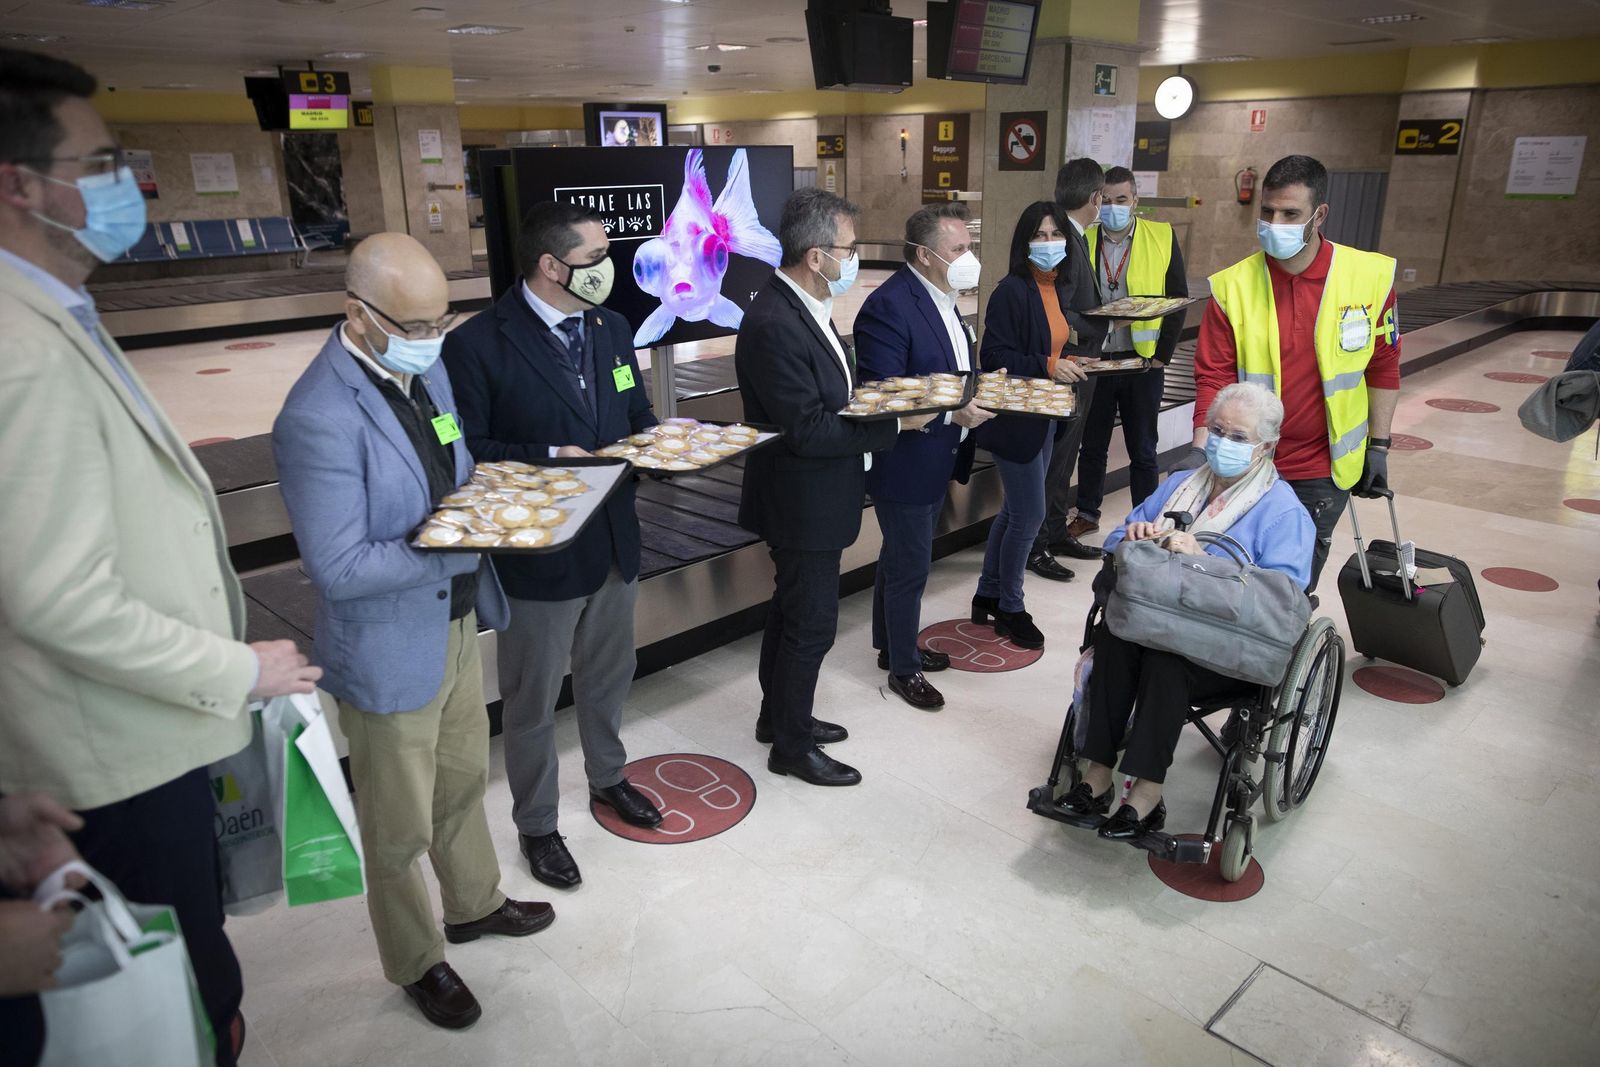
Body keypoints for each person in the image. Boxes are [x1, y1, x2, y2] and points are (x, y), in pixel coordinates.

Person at [0, 49, 321, 1066]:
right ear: (18, 185)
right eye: (99, 165)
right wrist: (240, 667)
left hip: (116, 747)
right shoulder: (19, 347)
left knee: (193, 976)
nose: (129, 185)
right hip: (111, 764)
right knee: (179, 998)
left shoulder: (53, 317)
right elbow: (53, 594)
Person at [273, 233, 553, 1030]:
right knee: (396, 823)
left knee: (462, 779)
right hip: (388, 645)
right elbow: (340, 568)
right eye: (415, 323)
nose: (434, 338)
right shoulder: (317, 416)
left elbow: (454, 469)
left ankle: (473, 901)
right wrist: (451, 546)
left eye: (442, 319)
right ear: (357, 314)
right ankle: (417, 958)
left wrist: (499, 503)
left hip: (459, 620)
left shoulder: (422, 372)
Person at [444, 202, 663, 890]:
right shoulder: (478, 343)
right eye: (596, 258)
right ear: (551, 265)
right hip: (540, 549)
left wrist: (659, 444)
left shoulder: (612, 326)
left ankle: (608, 776)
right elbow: (469, 449)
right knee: (532, 698)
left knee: (608, 674)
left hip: (613, 539)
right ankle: (537, 823)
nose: (609, 269)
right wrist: (548, 456)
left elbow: (635, 410)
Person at [736, 188, 939, 785]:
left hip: (819, 493)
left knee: (791, 610)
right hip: (801, 499)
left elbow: (830, 403)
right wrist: (896, 423)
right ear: (815, 254)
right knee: (811, 622)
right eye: (848, 249)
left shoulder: (806, 307)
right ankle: (792, 747)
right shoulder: (775, 321)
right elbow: (808, 429)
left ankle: (780, 717)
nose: (854, 261)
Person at [1061, 383, 1315, 839]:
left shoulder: (1284, 513)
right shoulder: (1180, 486)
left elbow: (1284, 600)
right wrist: (1135, 536)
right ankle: (1096, 775)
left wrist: (1207, 561)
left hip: (1226, 650)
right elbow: (1115, 542)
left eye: (1238, 437)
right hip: (1153, 622)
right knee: (1115, 639)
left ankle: (1146, 795)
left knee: (1166, 659)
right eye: (1217, 431)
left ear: (1266, 448)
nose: (1222, 443)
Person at [1189, 154, 1400, 593]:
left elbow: (1383, 366)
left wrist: (1378, 446)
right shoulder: (1233, 287)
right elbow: (1214, 376)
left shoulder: (1369, 278)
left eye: (1290, 214)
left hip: (1322, 470)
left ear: (1319, 215)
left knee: (1288, 588)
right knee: (1224, 573)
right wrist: (1201, 447)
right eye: (1267, 212)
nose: (1274, 223)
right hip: (1246, 462)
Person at [854, 203, 995, 710]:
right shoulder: (890, 306)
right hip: (907, 460)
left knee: (900, 559)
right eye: (958, 249)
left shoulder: (943, 297)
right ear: (923, 253)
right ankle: (904, 669)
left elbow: (950, 370)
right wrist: (951, 416)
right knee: (911, 565)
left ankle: (890, 646)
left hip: (938, 454)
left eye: (968, 247)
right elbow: (886, 392)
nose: (968, 257)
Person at [970, 201, 1095, 650]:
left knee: (1014, 512)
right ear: (1023, 244)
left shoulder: (1054, 287)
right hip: (1015, 418)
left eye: (1055, 234)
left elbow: (1049, 345)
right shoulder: (1012, 289)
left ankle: (987, 593)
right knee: (1030, 514)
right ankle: (1010, 606)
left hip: (1042, 414)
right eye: (1038, 236)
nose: (1048, 243)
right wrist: (1048, 364)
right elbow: (995, 357)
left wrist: (1067, 360)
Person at [1073, 166, 1189, 537]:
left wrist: (1162, 356)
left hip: (1142, 362)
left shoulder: (1161, 237)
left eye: (1121, 200)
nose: (1113, 207)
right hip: (1098, 361)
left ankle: (1146, 519)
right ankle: (1087, 515)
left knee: (1143, 449)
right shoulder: (1083, 240)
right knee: (1092, 445)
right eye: (1105, 200)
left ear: (1135, 201)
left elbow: (1177, 299)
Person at [1032, 157, 1115, 574]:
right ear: (1095, 198)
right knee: (1056, 457)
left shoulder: (1077, 235)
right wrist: (1107, 318)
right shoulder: (1061, 238)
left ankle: (1055, 530)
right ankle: (1037, 541)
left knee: (1066, 458)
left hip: (1082, 363)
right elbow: (1060, 308)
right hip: (1067, 364)